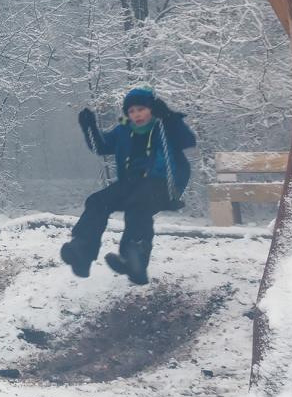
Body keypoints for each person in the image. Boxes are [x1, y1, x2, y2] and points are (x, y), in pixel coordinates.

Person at [59, 86, 196, 285]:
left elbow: (188, 140)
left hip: (162, 184)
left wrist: (168, 116)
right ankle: (82, 250)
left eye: (141, 109)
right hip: (131, 183)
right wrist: (89, 128)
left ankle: (135, 256)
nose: (136, 115)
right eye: (131, 111)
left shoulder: (164, 126)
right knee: (97, 201)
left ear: (151, 109)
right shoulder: (124, 131)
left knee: (138, 204)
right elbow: (101, 146)